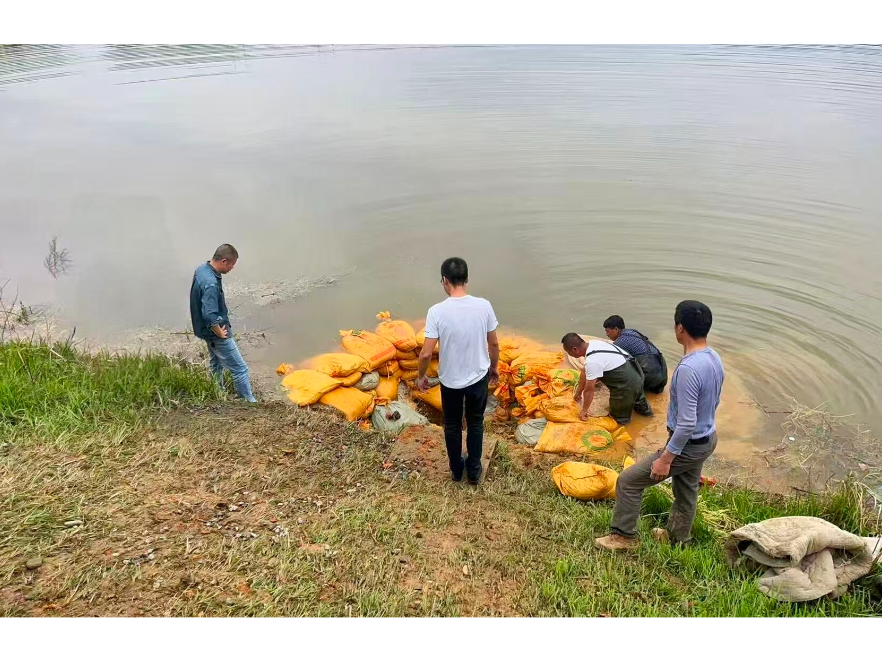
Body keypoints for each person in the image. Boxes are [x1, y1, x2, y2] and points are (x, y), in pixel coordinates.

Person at [595, 300, 724, 551]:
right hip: (707, 438)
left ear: (680, 328)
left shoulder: (687, 368)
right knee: (686, 490)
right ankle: (678, 538)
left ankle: (624, 537)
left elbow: (686, 424)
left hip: (687, 443)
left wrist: (666, 459)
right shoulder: (713, 358)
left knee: (629, 481)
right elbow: (714, 400)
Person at [417, 257, 500, 485]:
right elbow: (493, 343)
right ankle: (474, 470)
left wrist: (421, 375)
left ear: (444, 280)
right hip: (478, 377)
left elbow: (425, 353)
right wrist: (494, 367)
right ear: (467, 279)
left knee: (452, 425)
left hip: (450, 381)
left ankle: (456, 470)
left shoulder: (436, 311)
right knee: (475, 422)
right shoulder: (484, 306)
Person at [190, 244, 257, 403]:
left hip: (203, 330)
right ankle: (248, 402)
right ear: (224, 261)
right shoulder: (211, 282)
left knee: (216, 363)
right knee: (240, 368)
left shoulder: (202, 269)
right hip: (215, 332)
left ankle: (217, 391)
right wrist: (218, 331)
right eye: (232, 264)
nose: (232, 268)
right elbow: (209, 313)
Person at [561, 333, 652, 424]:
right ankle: (650, 419)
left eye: (569, 352)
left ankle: (628, 426)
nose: (570, 355)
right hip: (637, 373)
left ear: (574, 349)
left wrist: (584, 410)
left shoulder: (592, 361)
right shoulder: (594, 343)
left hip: (626, 384)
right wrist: (578, 393)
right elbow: (584, 372)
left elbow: (589, 389)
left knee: (618, 418)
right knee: (640, 403)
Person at [603, 315, 668, 394]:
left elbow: (609, 365)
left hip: (651, 378)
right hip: (663, 375)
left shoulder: (619, 343)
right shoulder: (633, 331)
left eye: (607, 331)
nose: (606, 334)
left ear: (616, 329)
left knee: (618, 373)